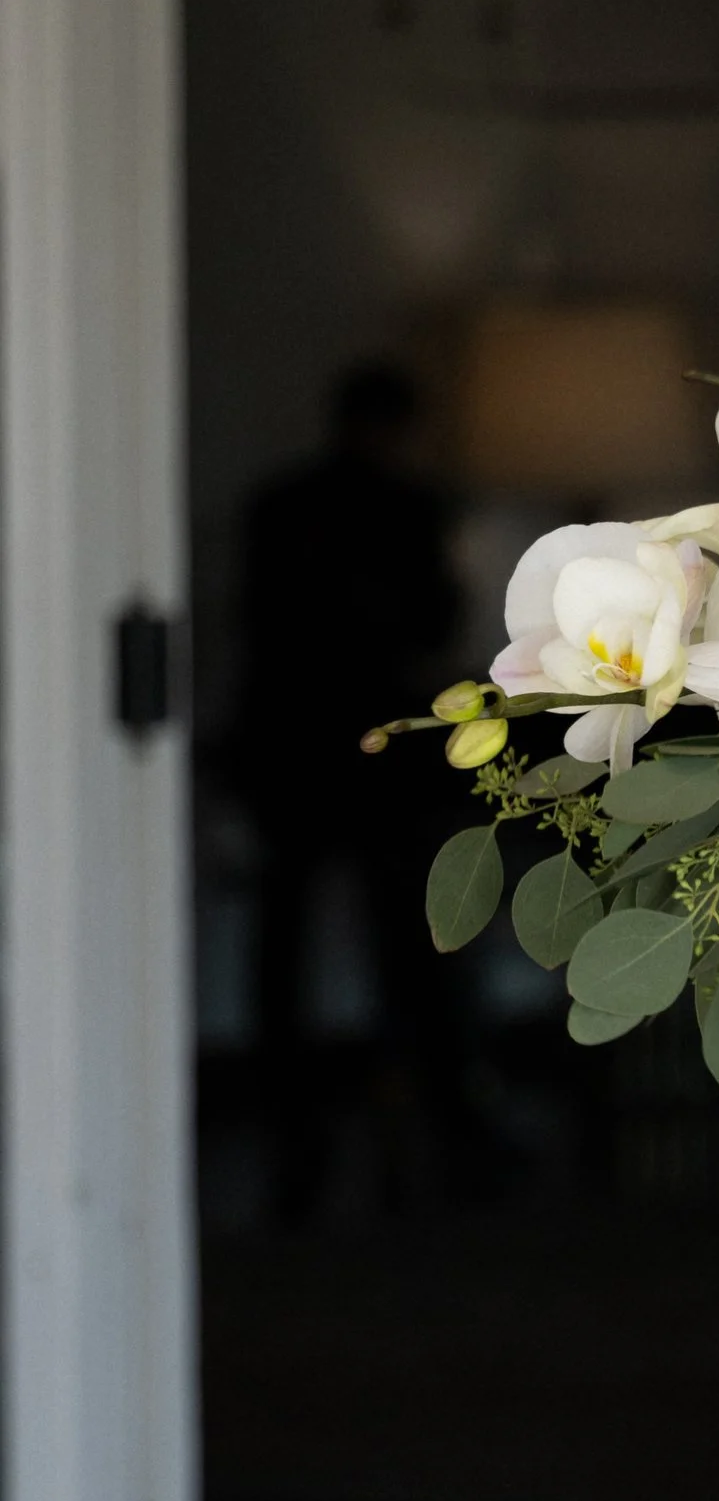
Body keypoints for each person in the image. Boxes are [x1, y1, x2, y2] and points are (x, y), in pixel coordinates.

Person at [228, 356, 467, 1215]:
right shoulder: (408, 510)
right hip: (372, 749)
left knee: (286, 947)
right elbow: (435, 621)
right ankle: (445, 1118)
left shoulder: (278, 508)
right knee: (408, 946)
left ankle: (294, 1123)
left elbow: (254, 631)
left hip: (291, 746)